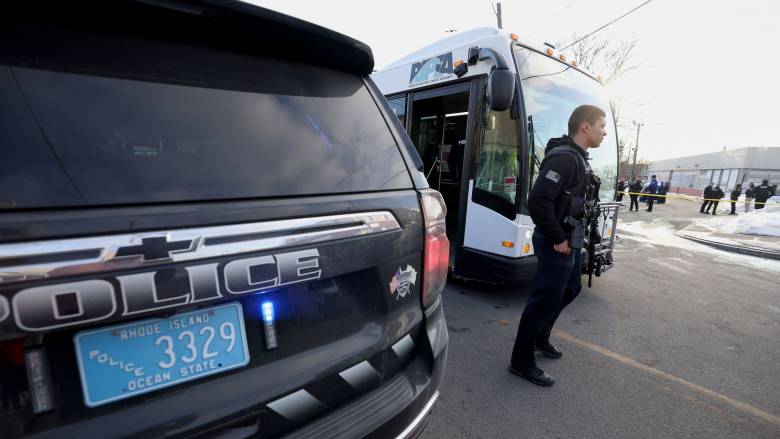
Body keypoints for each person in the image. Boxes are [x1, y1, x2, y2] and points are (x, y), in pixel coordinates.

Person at [508, 105, 605, 387]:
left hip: (569, 241)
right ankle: (521, 361)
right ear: (585, 127)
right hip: (556, 243)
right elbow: (538, 201)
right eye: (601, 126)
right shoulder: (564, 159)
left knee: (572, 288)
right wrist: (557, 238)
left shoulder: (579, 159)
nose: (604, 132)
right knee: (543, 300)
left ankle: (540, 336)